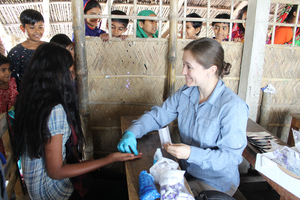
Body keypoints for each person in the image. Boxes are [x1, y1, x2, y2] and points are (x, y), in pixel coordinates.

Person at [117, 38, 249, 197]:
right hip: (185, 171)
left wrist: (191, 154)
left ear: (211, 70)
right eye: (183, 64)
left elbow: (231, 158)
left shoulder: (232, 107)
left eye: (189, 67)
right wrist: (132, 132)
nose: (183, 72)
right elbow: (159, 115)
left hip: (215, 182)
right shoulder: (187, 93)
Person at [12, 43, 142, 200]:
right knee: (126, 188)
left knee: (121, 180)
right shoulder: (53, 110)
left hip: (40, 188)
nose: (72, 76)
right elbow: (55, 172)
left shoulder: (32, 99)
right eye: (69, 71)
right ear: (56, 73)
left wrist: (91, 163)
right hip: (53, 192)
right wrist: (108, 159)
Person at [7, 9, 44, 90]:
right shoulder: (16, 52)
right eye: (32, 28)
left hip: (50, 97)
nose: (37, 31)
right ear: (23, 28)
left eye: (40, 27)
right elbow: (12, 80)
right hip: (27, 98)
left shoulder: (50, 48)